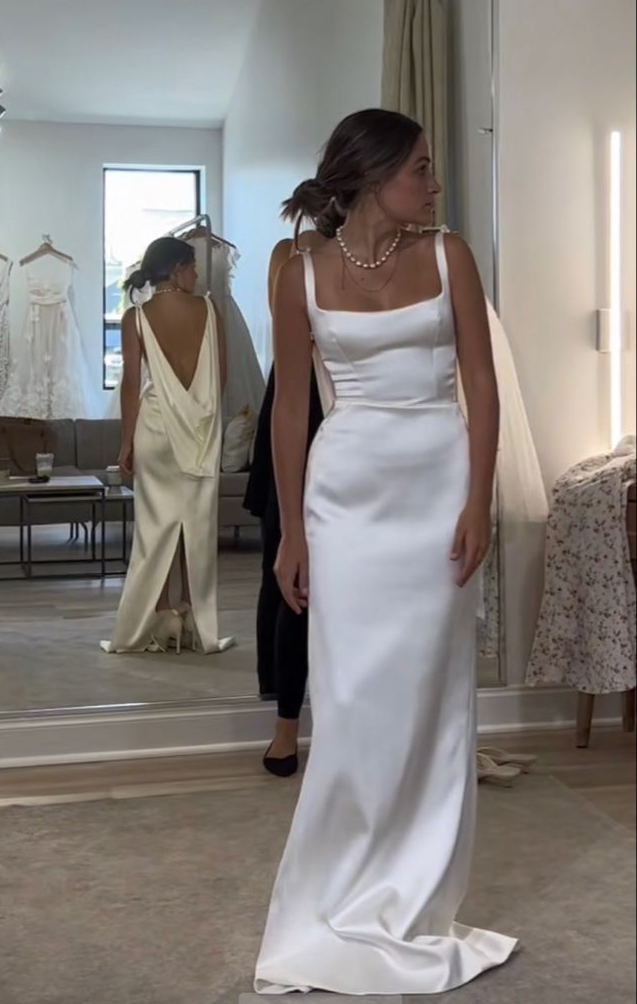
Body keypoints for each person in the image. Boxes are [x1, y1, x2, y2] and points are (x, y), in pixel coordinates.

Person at [254, 109, 517, 994]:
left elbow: (480, 384)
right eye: (421, 170)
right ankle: (335, 895)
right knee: (350, 699)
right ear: (371, 177)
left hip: (437, 490)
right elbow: (291, 410)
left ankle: (416, 901)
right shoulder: (297, 272)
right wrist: (292, 530)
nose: (434, 185)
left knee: (433, 701)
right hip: (345, 500)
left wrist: (478, 500)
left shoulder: (449, 256)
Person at [101, 237, 234, 657]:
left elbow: (131, 384)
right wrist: (199, 415)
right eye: (192, 267)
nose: (197, 274)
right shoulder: (209, 310)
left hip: (155, 428)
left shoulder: (136, 317)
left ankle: (161, 616)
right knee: (198, 524)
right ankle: (194, 615)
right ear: (176, 269)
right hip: (201, 430)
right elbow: (221, 377)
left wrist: (127, 440)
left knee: (154, 528)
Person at [244, 230, 326, 777]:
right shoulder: (290, 254)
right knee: (287, 567)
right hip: (301, 393)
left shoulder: (394, 250)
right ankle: (283, 712)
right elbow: (287, 329)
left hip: (349, 402)